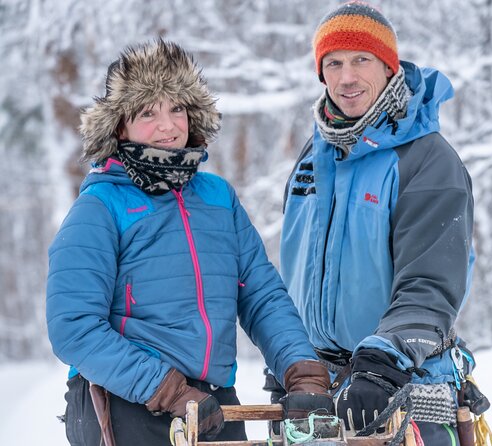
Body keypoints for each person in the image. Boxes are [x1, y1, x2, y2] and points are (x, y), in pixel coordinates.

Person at [46, 39, 332, 446]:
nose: (168, 126)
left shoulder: (217, 197)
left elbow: (261, 295)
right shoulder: (99, 206)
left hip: (213, 404)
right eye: (148, 112)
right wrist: (170, 392)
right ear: (119, 125)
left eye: (177, 108)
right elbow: (73, 327)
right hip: (128, 401)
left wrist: (302, 372)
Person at [279, 2, 478, 444]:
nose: (346, 77)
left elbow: (430, 283)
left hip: (402, 387)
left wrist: (382, 360)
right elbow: (294, 273)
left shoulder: (427, 160)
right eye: (333, 63)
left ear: (389, 67)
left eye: (360, 60)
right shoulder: (312, 161)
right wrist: (289, 358)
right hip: (317, 392)